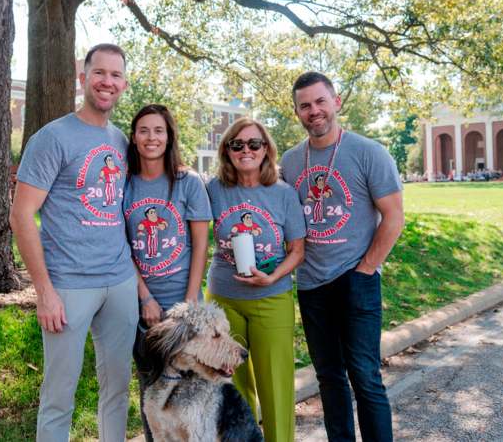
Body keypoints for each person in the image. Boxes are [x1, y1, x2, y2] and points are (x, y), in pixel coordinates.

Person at [9, 43, 137, 442]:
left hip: (119, 282)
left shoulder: (121, 141)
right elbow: (21, 215)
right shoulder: (53, 137)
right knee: (58, 396)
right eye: (100, 73)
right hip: (68, 286)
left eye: (116, 75)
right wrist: (44, 291)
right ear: (83, 78)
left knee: (117, 392)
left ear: (124, 84)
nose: (107, 82)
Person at [280, 72, 404, 442]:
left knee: (365, 375)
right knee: (329, 378)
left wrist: (365, 270)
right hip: (312, 285)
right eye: (305, 105)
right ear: (297, 112)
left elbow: (394, 217)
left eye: (320, 101)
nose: (313, 111)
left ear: (336, 103)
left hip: (357, 280)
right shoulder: (289, 161)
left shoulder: (368, 152)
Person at [205, 117, 306, 442]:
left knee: (275, 385)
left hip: (271, 298)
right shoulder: (214, 190)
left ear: (266, 150)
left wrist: (273, 276)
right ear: (227, 150)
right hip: (223, 300)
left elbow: (297, 250)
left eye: (254, 143)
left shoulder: (283, 194)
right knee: (231, 388)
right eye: (237, 144)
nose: (245, 150)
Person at [123, 104, 212, 442]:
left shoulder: (187, 182)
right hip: (142, 307)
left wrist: (189, 303)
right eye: (144, 130)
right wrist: (144, 296)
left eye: (159, 130)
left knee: (193, 397)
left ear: (169, 136)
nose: (151, 137)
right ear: (134, 137)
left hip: (185, 302)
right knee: (154, 396)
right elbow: (122, 246)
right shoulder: (126, 185)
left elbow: (200, 245)